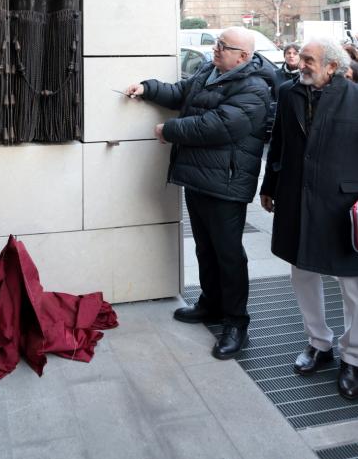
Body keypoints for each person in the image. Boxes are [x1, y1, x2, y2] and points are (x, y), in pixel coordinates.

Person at [126, 27, 272, 359]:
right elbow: (181, 93)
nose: (215, 49)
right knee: (206, 247)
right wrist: (148, 88)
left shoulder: (255, 88)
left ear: (244, 56)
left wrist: (170, 130)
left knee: (229, 254)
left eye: (224, 46)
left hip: (226, 184)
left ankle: (236, 323)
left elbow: (219, 125)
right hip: (199, 178)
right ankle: (211, 304)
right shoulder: (209, 69)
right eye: (217, 43)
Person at [259, 38, 358, 400]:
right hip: (296, 201)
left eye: (309, 59)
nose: (301, 64)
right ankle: (319, 343)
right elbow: (280, 144)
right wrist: (269, 186)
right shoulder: (288, 93)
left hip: (343, 205)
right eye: (301, 58)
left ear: (332, 67)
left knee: (353, 285)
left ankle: (354, 357)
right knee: (302, 272)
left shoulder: (355, 97)